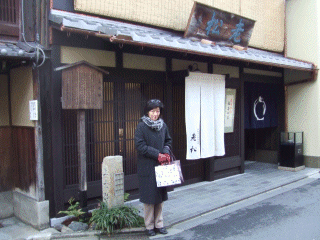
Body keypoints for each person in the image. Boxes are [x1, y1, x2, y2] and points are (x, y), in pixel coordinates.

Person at [134, 99, 172, 236]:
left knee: (160, 197)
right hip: (147, 167)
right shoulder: (141, 126)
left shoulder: (163, 125)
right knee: (149, 199)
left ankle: (159, 224)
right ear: (147, 112)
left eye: (157, 111)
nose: (155, 114)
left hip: (161, 166)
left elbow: (168, 140)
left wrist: (166, 152)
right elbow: (140, 146)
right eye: (152, 111)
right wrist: (158, 155)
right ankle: (149, 226)